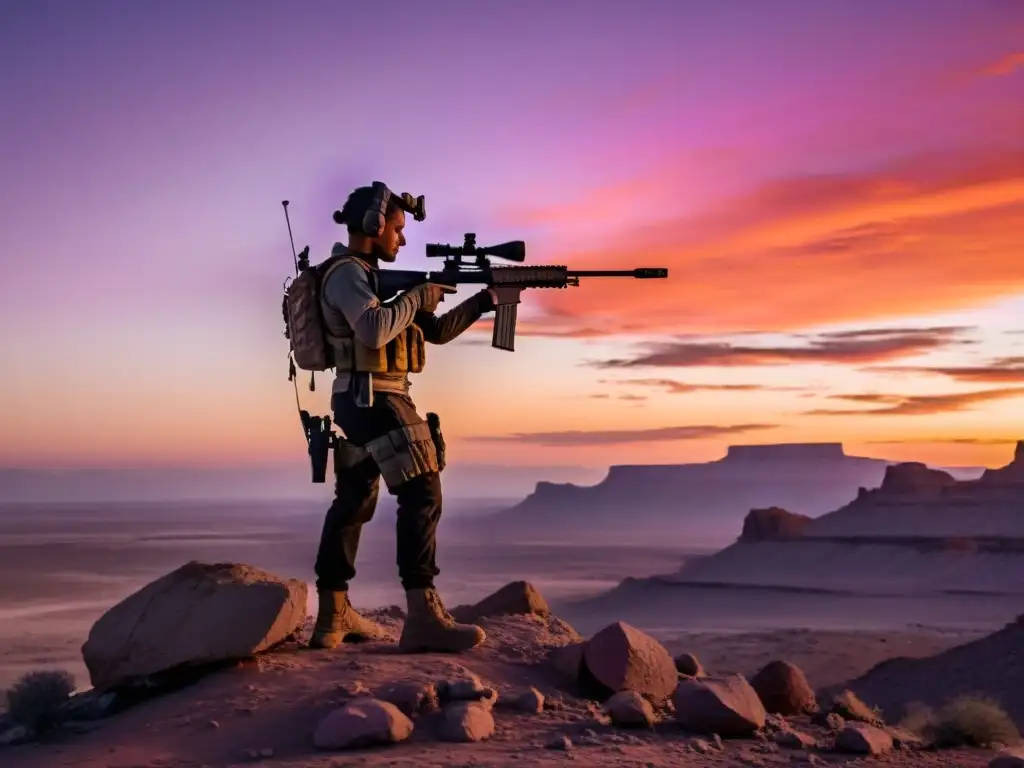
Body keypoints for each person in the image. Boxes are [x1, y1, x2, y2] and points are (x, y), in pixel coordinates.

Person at [309, 183, 496, 653]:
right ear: (374, 225)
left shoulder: (370, 279)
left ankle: (333, 615)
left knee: (355, 499)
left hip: (361, 400)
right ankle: (423, 616)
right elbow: (372, 330)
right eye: (397, 228)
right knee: (423, 489)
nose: (402, 239)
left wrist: (485, 301)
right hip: (373, 398)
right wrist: (417, 296)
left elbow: (434, 332)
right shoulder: (346, 275)